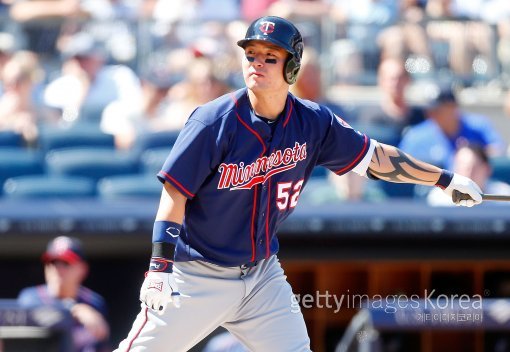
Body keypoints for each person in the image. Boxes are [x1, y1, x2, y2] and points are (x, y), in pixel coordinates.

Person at [114, 16, 483, 352]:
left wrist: (444, 179)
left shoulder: (313, 122)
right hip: (198, 274)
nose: (257, 62)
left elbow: (376, 159)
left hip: (261, 277)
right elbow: (174, 194)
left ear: (292, 67)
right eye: (252, 54)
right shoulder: (213, 121)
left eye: (270, 56)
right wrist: (160, 268)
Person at [18, 235, 110, 352]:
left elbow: (103, 346)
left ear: (83, 269)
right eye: (53, 263)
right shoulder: (30, 298)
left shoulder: (94, 303)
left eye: (65, 263)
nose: (58, 270)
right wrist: (73, 309)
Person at [426, 143, 510, 206]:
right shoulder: (438, 198)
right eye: (463, 168)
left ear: (487, 169)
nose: (469, 173)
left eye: (474, 168)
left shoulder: (504, 194)